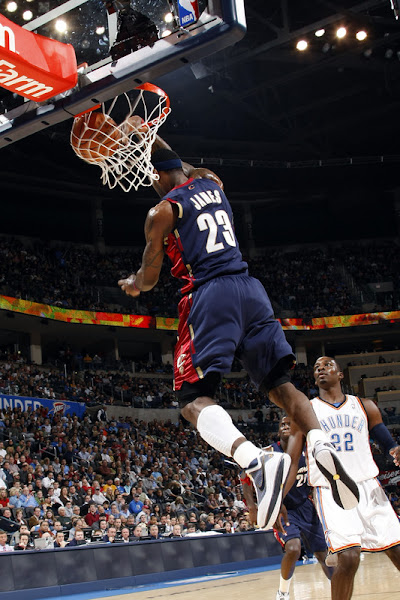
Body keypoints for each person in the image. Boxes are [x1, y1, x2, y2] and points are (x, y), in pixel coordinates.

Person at [117, 134, 359, 529]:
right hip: (251, 290)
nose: (151, 184)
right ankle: (321, 443)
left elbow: (150, 277)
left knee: (191, 399)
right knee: (280, 385)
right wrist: (148, 132)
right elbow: (181, 166)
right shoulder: (211, 181)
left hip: (211, 295)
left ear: (159, 176)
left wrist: (132, 282)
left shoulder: (162, 211)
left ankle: (256, 461)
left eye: (151, 178)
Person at [308, 356, 400, 600]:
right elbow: (294, 451)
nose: (321, 369)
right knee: (348, 557)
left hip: (368, 485)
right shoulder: (308, 409)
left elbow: (386, 440)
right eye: (316, 367)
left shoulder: (364, 405)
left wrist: (395, 449)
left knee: (398, 549)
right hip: (332, 488)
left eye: (327, 365)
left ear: (340, 374)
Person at [242, 416, 333, 600]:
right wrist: (252, 507)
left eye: (289, 424)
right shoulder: (268, 452)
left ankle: (340, 590)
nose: (285, 426)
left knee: (323, 554)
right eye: (282, 424)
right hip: (282, 509)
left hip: (305, 506)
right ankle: (283, 592)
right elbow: (244, 477)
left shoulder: (309, 452)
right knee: (293, 548)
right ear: (278, 431)